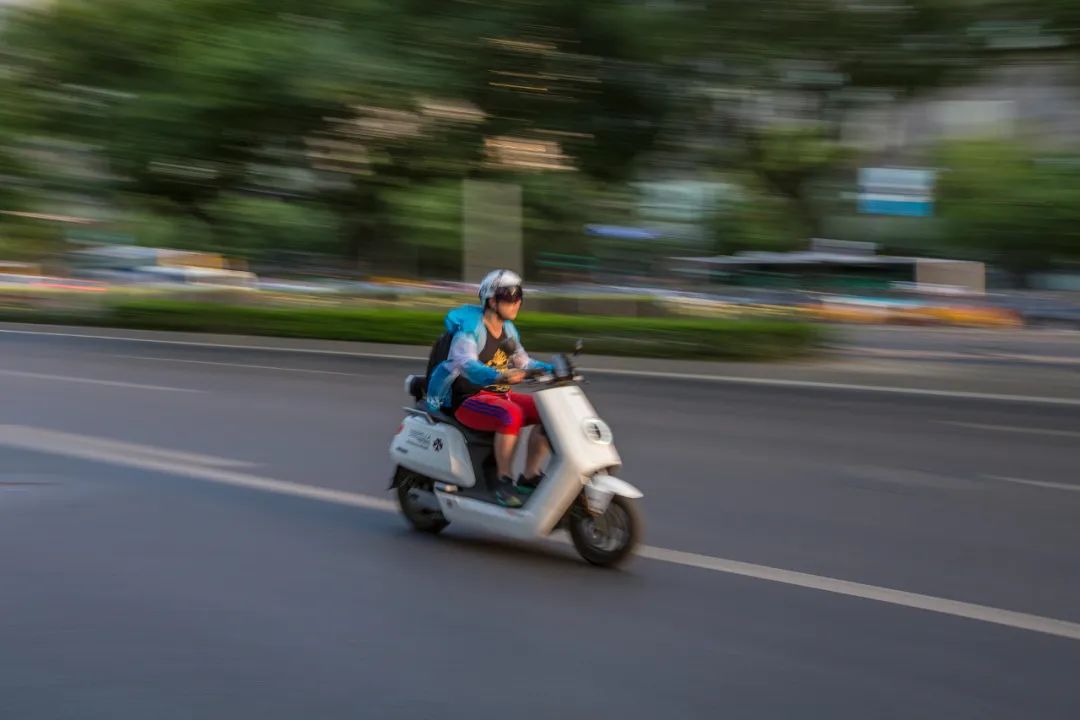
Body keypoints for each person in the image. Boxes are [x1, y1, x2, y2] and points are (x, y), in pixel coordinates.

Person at [425, 270, 553, 507]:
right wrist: (499, 374)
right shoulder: (471, 331)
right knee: (510, 414)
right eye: (509, 296)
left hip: (496, 395)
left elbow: (523, 361)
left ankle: (530, 475)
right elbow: (466, 364)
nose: (517, 302)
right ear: (491, 301)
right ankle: (502, 481)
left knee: (549, 411)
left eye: (519, 295)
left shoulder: (508, 331)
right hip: (467, 399)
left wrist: (553, 369)